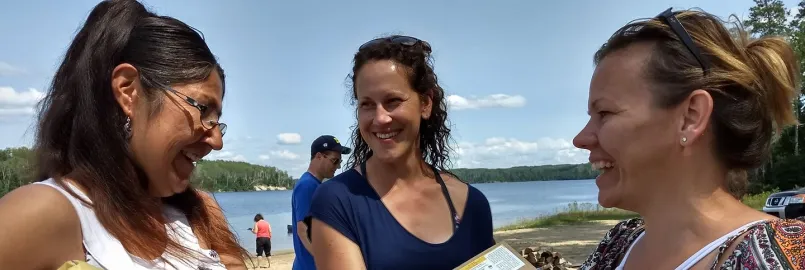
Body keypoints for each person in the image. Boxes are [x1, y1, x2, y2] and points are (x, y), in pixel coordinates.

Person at [0, 0, 248, 269]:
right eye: (203, 110)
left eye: (217, 121)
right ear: (129, 91)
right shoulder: (41, 215)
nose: (216, 141)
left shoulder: (203, 213)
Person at [574, 7, 805, 270]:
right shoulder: (618, 244)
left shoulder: (782, 259)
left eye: (604, 113)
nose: (580, 139)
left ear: (691, 117)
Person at [308, 35, 495, 269]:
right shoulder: (337, 201)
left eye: (393, 100)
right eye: (366, 104)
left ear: (426, 104)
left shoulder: (472, 204)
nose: (380, 118)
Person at [291, 135, 351, 270]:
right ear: (318, 156)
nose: (338, 166)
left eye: (339, 162)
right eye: (334, 161)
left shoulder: (315, 185)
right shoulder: (307, 186)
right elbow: (303, 230)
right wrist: (326, 261)